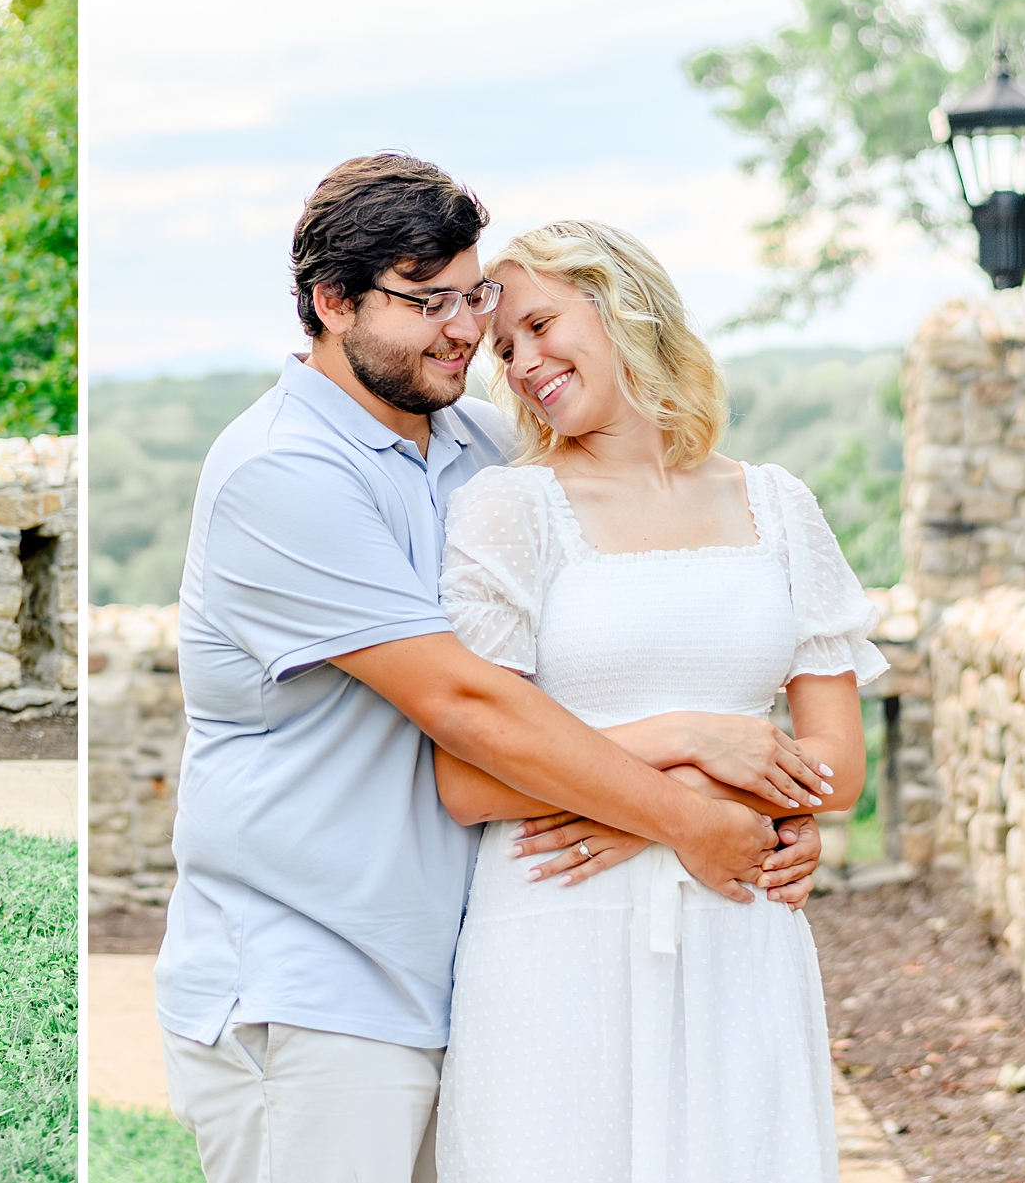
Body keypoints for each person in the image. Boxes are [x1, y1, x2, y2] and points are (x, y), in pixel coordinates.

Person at [156, 153, 822, 1183]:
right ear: (331, 302)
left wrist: (749, 792)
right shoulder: (280, 471)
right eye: (428, 302)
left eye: (473, 296)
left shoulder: (473, 449)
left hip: (470, 968)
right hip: (314, 985)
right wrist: (692, 796)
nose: (467, 332)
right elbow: (467, 703)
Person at [431, 220, 881, 1182]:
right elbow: (468, 777)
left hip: (738, 923)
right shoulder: (511, 510)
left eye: (542, 323)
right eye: (504, 350)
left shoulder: (777, 504)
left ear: (622, 299)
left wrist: (712, 815)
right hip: (559, 927)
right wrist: (689, 752)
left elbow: (837, 762)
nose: (524, 363)